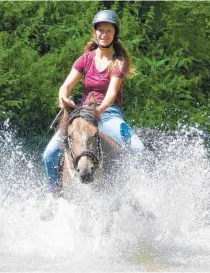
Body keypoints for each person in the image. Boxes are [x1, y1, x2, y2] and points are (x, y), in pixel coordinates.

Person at [42, 10, 145, 196]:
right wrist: (64, 98)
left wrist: (98, 110)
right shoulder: (85, 59)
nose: (103, 34)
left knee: (138, 150)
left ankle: (135, 194)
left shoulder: (118, 62)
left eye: (108, 31)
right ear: (94, 32)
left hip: (108, 113)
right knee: (49, 154)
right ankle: (53, 196)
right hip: (83, 114)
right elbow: (65, 86)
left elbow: (111, 94)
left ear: (115, 34)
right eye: (100, 30)